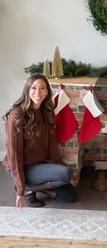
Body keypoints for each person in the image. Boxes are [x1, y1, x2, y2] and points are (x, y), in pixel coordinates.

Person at [2, 73, 77, 208]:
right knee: (65, 173)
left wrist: (59, 165)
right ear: (27, 90)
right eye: (34, 88)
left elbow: (52, 145)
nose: (38, 92)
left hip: (38, 164)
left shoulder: (46, 112)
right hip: (20, 168)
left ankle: (36, 188)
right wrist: (20, 190)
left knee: (69, 196)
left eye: (42, 88)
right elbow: (14, 155)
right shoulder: (17, 115)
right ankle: (26, 188)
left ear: (47, 91)